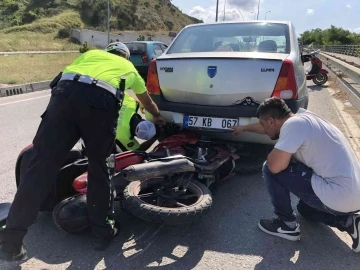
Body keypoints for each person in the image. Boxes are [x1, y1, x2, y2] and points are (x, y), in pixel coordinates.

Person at [0, 41, 165, 261]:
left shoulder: (89, 55)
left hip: (63, 95)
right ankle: (102, 231)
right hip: (99, 102)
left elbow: (60, 81)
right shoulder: (128, 69)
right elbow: (147, 102)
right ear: (125, 57)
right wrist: (157, 117)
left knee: (39, 166)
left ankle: (10, 243)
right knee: (100, 167)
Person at [231, 97, 360, 253]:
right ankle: (349, 222)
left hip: (339, 194)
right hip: (352, 196)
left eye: (264, 125)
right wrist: (243, 129)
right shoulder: (306, 119)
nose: (264, 131)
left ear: (272, 121)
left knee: (270, 167)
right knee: (305, 210)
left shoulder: (294, 126)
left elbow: (275, 166)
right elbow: (265, 128)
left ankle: (287, 225)